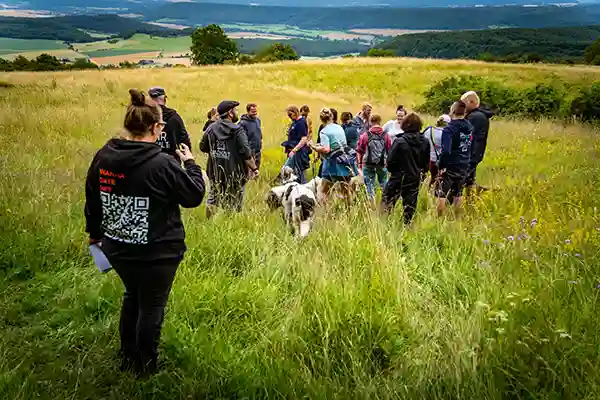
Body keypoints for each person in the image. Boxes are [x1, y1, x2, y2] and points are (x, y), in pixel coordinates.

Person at [85, 89, 205, 376]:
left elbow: (92, 196)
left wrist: (94, 233)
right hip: (157, 252)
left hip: (117, 247)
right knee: (151, 306)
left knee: (132, 296)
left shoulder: (104, 156)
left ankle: (127, 358)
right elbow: (194, 195)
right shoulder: (161, 163)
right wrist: (190, 163)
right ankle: (145, 368)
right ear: (157, 127)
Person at [200, 100, 257, 218]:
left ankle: (208, 223)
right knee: (234, 205)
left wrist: (217, 153)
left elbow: (203, 147)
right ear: (230, 113)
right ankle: (229, 225)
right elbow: (246, 153)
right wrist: (254, 168)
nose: (237, 112)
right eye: (235, 110)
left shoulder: (211, 128)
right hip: (235, 175)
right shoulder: (237, 130)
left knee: (212, 200)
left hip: (215, 173)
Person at [381, 113, 430, 225]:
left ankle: (384, 225)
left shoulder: (400, 141)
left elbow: (390, 161)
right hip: (414, 177)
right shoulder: (425, 142)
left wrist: (394, 172)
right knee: (410, 205)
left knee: (387, 202)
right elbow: (426, 163)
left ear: (405, 125)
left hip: (398, 176)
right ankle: (407, 227)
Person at [309, 108, 354, 205]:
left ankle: (326, 214)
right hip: (344, 161)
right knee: (346, 191)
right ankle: (349, 212)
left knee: (323, 191)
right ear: (332, 116)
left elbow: (326, 149)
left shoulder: (324, 131)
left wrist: (314, 147)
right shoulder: (339, 128)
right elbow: (341, 143)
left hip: (331, 164)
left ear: (321, 119)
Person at [436, 100, 473, 217]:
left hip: (451, 164)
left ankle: (439, 218)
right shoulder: (470, 127)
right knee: (458, 191)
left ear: (452, 111)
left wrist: (441, 165)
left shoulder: (449, 129)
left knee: (441, 192)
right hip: (464, 163)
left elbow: (446, 150)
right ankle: (458, 217)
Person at [461, 91, 493, 194]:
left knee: (462, 179)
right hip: (473, 153)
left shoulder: (476, 117)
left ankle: (480, 192)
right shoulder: (476, 115)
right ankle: (474, 196)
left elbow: (466, 134)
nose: (462, 107)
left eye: (463, 103)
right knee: (469, 180)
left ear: (471, 102)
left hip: (472, 153)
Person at [356, 114, 392, 203]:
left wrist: (359, 164)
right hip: (382, 164)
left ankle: (371, 203)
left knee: (369, 184)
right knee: (384, 183)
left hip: (368, 164)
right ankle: (385, 201)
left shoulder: (365, 135)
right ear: (380, 122)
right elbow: (390, 150)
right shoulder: (386, 135)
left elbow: (359, 150)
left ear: (370, 122)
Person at [148, 87, 192, 158]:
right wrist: (188, 155)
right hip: (171, 160)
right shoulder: (174, 116)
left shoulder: (144, 115)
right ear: (164, 99)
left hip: (149, 160)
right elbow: (183, 137)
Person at [282, 105, 310, 184]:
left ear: (295, 112)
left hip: (298, 152)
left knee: (298, 173)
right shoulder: (295, 122)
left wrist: (294, 150)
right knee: (292, 173)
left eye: (290, 115)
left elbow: (304, 139)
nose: (289, 117)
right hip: (293, 152)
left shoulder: (301, 122)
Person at [423, 114, 451, 188]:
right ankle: (435, 195)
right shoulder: (446, 133)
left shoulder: (429, 130)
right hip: (440, 161)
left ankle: (427, 193)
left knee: (431, 178)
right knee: (439, 181)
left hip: (428, 160)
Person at [239, 103, 263, 171]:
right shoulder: (242, 123)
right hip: (249, 151)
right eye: (253, 112)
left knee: (257, 170)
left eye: (255, 111)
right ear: (248, 111)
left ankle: (255, 181)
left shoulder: (258, 120)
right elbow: (242, 139)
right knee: (250, 171)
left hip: (258, 150)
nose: (255, 113)